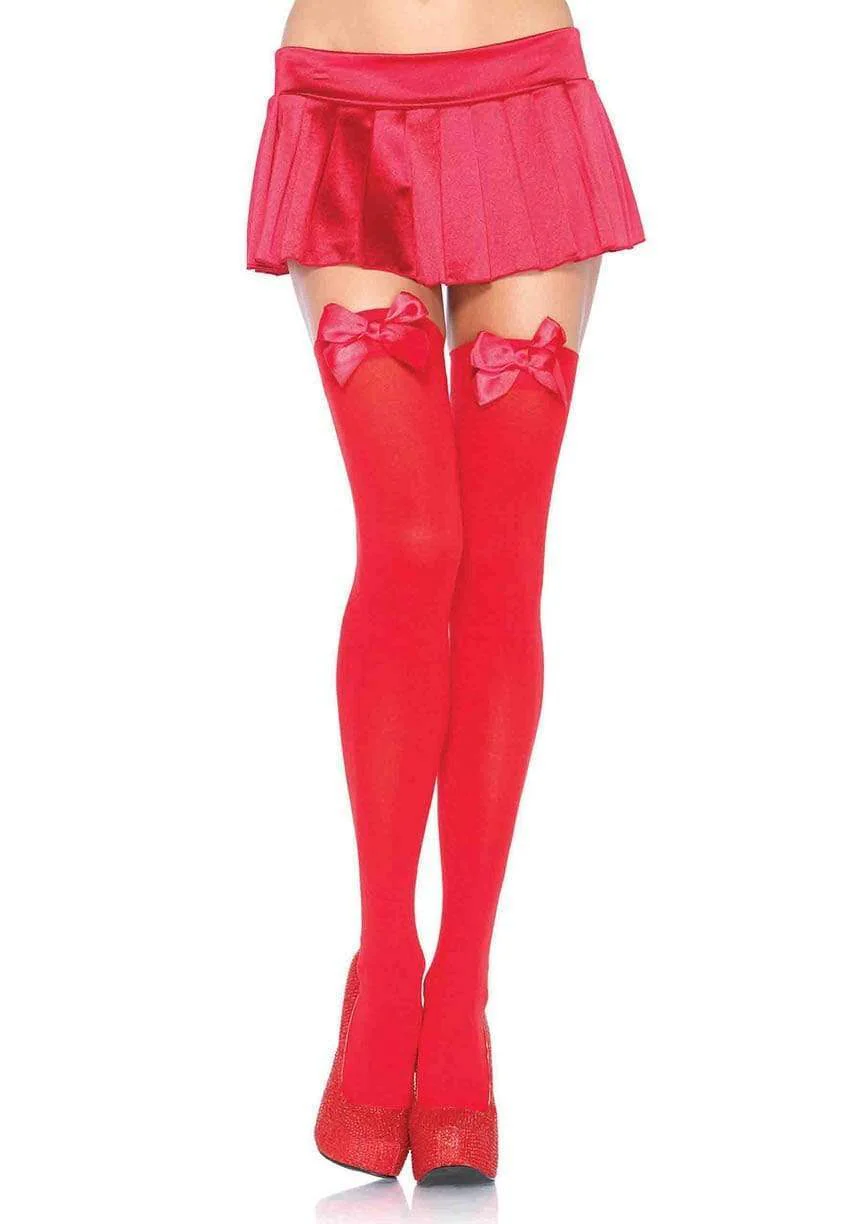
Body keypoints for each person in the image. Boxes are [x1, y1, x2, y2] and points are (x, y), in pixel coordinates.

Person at [247, 0, 643, 1185]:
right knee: (416, 541)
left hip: (523, 98)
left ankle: (460, 992)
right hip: (347, 99)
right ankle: (385, 962)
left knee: (504, 558)